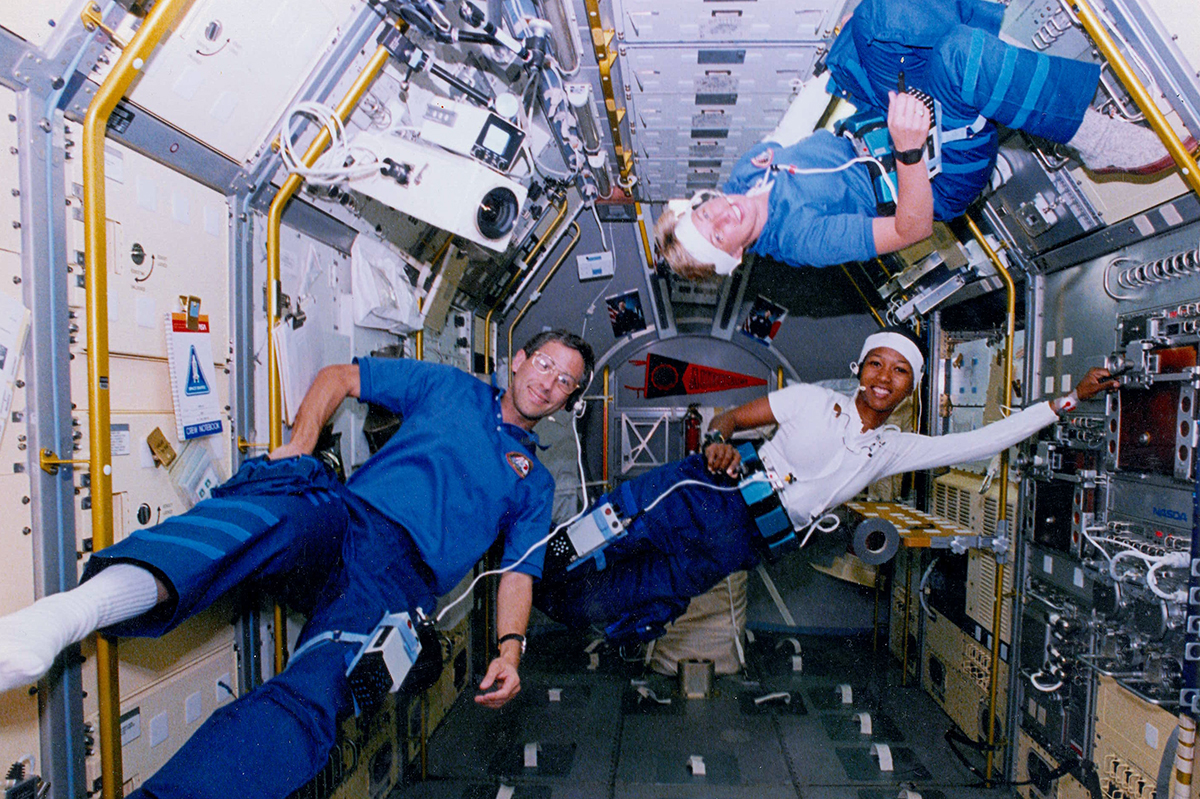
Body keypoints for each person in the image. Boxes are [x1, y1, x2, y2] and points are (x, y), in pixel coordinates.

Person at [0, 330, 593, 799]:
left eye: (565, 381)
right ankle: (72, 613)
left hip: (398, 588)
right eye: (545, 364)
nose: (549, 382)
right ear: (518, 360)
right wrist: (302, 443)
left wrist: (510, 651)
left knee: (317, 698)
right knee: (271, 514)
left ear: (569, 400)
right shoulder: (449, 387)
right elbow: (339, 377)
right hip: (348, 521)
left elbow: (519, 570)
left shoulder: (534, 482)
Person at [534, 326, 1117, 642]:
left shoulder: (892, 449)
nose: (884, 378)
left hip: (745, 543)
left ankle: (538, 605)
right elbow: (729, 419)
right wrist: (721, 443)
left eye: (900, 370)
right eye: (876, 364)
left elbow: (982, 441)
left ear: (911, 387)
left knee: (613, 603)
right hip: (711, 492)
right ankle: (528, 563)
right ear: (860, 371)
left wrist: (1068, 402)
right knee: (602, 534)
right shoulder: (812, 400)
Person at [654, 0, 1194, 279]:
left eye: (706, 216)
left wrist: (841, 53)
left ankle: (986, 31)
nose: (724, 218)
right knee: (961, 60)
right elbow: (913, 228)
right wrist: (909, 148)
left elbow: (789, 128)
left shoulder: (744, 177)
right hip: (930, 174)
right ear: (736, 255)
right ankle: (1099, 143)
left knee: (877, 18)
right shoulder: (800, 242)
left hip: (873, 117)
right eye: (719, 236)